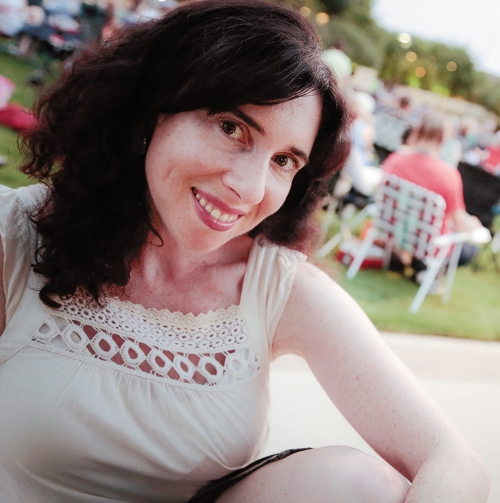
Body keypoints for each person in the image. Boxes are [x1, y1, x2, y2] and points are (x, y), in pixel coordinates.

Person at [0, 2, 490, 502]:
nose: (249, 188)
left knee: (358, 486)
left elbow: (453, 461)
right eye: (232, 128)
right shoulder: (16, 235)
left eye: (283, 160)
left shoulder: (274, 287)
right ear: (153, 107)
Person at [383, 112, 483, 271]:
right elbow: (459, 221)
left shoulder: (395, 160)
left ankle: (409, 261)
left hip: (393, 233)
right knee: (469, 249)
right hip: (429, 245)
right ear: (443, 138)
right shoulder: (448, 175)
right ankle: (427, 271)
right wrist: (474, 226)